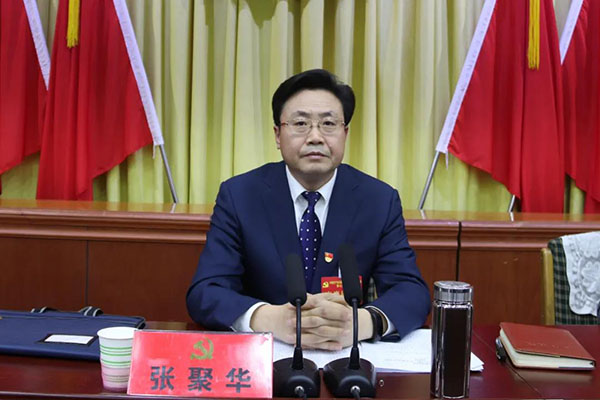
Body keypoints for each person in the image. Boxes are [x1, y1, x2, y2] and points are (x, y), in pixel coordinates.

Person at [186, 69, 430, 350]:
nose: (315, 137)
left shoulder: (378, 199)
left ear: (345, 134)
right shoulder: (240, 196)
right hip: (268, 356)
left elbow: (411, 291)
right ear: (278, 135)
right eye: (301, 123)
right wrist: (271, 319)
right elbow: (206, 291)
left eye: (328, 124)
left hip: (346, 358)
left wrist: (360, 323)